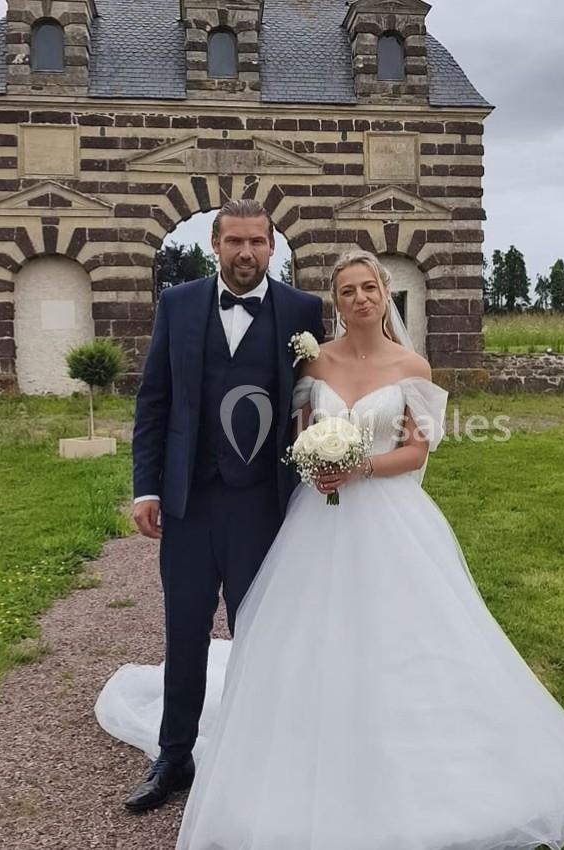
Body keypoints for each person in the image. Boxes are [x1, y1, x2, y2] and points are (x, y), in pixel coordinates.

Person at [101, 249, 564, 848]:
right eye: (346, 292)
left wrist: (358, 466)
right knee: (305, 633)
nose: (359, 299)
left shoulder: (412, 364)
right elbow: (293, 439)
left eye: (368, 288)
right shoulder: (314, 364)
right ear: (336, 303)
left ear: (385, 294)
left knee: (399, 636)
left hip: (387, 517)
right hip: (316, 520)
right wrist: (317, 463)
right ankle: (276, 745)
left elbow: (416, 451)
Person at [124, 198, 326, 813]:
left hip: (264, 506)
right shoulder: (178, 304)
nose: (246, 253)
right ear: (215, 244)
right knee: (184, 631)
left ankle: (261, 753)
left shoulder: (303, 311)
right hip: (188, 502)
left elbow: (314, 400)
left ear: (273, 247)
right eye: (234, 242)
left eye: (257, 243)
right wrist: (147, 487)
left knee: (259, 633)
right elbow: (153, 401)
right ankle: (175, 756)